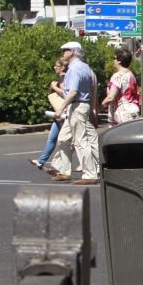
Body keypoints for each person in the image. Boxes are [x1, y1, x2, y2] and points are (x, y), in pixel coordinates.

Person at [47, 41, 100, 185]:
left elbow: (73, 92)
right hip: (78, 106)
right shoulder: (85, 67)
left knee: (81, 140)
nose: (63, 52)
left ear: (74, 52)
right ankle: (64, 171)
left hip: (77, 106)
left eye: (66, 50)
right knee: (63, 138)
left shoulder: (75, 68)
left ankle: (90, 174)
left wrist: (61, 108)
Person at [30, 58, 67, 169]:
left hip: (63, 113)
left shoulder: (64, 79)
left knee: (69, 142)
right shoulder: (61, 79)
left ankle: (86, 165)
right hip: (58, 114)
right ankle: (41, 161)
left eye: (57, 66)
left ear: (63, 67)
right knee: (52, 138)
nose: (54, 67)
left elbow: (66, 93)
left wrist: (54, 87)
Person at [101, 47, 141, 125]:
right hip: (133, 111)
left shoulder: (118, 76)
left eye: (114, 58)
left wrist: (101, 106)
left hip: (121, 113)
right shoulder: (131, 75)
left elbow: (110, 97)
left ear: (119, 61)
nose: (113, 60)